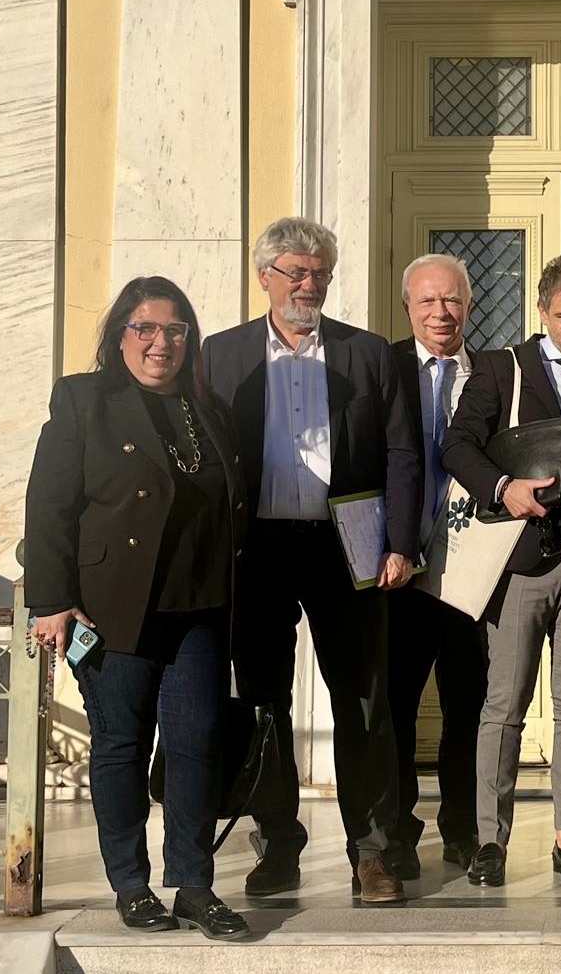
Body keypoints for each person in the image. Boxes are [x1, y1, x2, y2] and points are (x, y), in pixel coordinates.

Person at [203, 217, 422, 904]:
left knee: (363, 702)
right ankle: (277, 845)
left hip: (346, 546)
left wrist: (400, 543)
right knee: (264, 704)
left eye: (320, 271)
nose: (309, 282)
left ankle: (373, 851)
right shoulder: (221, 354)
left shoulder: (366, 354)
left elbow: (401, 452)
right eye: (296, 270)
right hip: (258, 550)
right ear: (264, 275)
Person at [24, 276, 249, 939]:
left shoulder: (207, 408)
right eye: (145, 328)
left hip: (200, 609)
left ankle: (194, 885)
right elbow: (49, 506)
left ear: (190, 339)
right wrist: (52, 600)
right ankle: (130, 884)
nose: (160, 343)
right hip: (112, 608)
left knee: (194, 745)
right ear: (120, 334)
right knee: (121, 747)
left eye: (175, 330)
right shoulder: (84, 399)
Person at [442, 253, 561, 887]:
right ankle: (491, 841)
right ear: (543, 311)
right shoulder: (503, 369)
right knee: (504, 706)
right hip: (520, 560)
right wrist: (503, 487)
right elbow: (456, 444)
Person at [387, 253, 488, 877]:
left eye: (450, 300)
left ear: (468, 306)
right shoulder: (384, 368)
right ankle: (397, 831)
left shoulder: (496, 376)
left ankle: (463, 828)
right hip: (397, 567)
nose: (440, 312)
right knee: (394, 705)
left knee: (468, 705)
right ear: (408, 308)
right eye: (427, 301)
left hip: (470, 570)